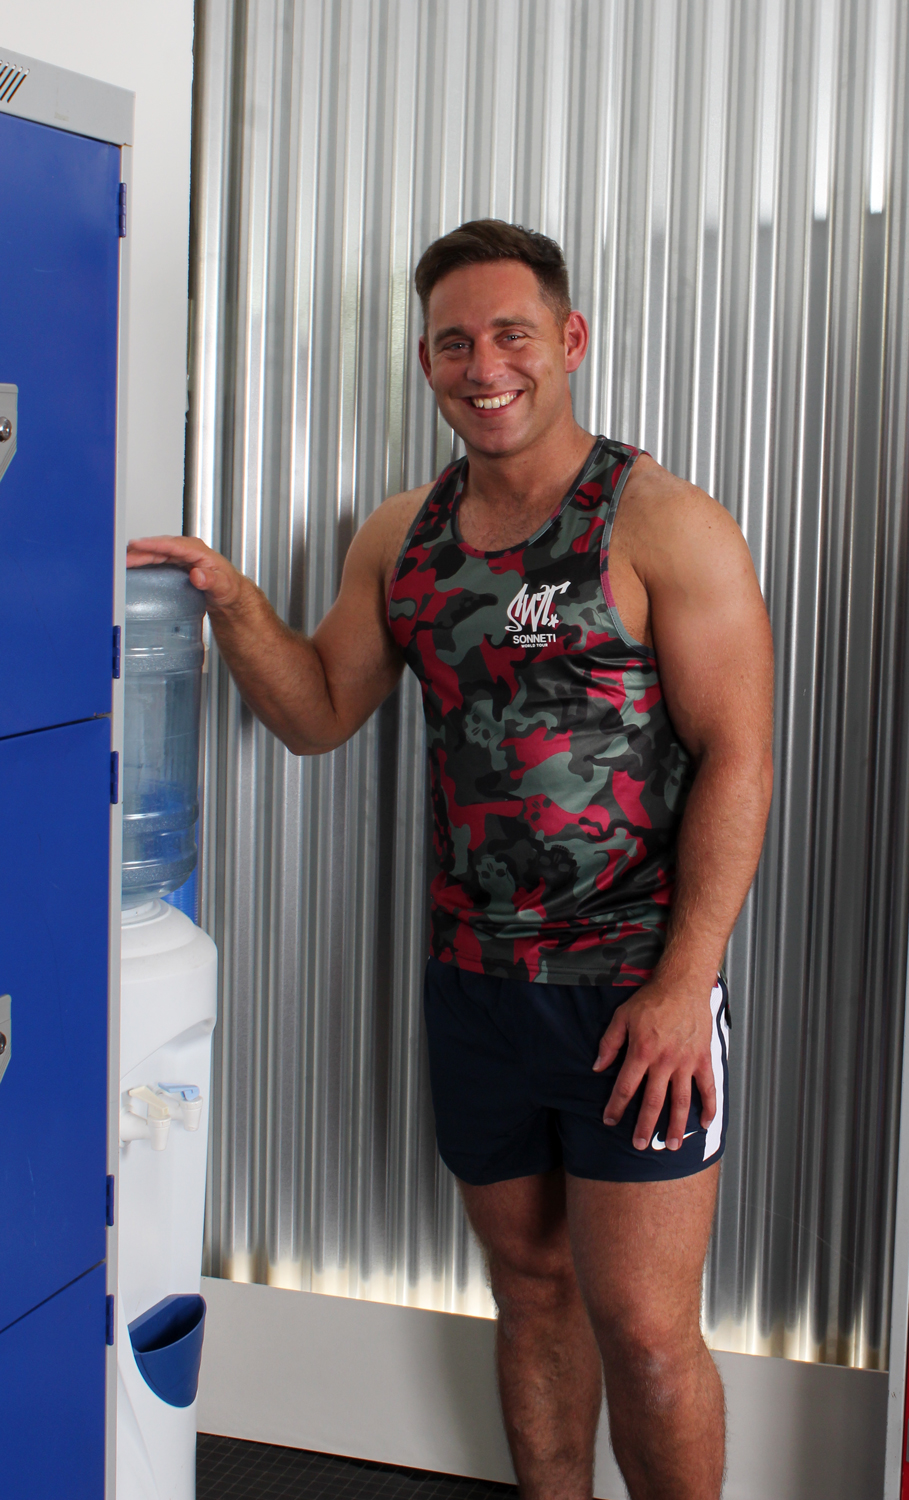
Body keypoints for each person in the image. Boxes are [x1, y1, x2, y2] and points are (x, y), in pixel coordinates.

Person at [128, 219, 773, 1500]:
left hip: (631, 991)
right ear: (425, 360)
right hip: (475, 987)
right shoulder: (402, 539)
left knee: (646, 1333)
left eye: (511, 335)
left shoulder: (662, 523)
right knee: (529, 1292)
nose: (485, 367)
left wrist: (681, 981)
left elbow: (739, 759)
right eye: (453, 343)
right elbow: (318, 713)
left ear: (568, 340)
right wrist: (233, 602)